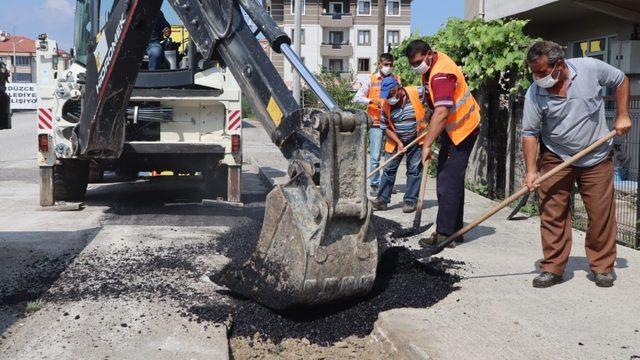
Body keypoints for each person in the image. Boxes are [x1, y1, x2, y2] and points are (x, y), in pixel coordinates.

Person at [521, 41, 631, 288]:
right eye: (533, 72)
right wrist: (531, 171)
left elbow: (621, 79)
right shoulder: (535, 93)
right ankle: (552, 267)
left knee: (600, 213)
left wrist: (623, 114)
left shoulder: (590, 68)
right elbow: (529, 133)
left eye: (541, 72)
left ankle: (602, 267)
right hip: (556, 155)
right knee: (552, 211)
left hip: (596, 156)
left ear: (559, 65)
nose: (537, 78)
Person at [404, 40, 481, 247]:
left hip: (462, 128)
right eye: (413, 64)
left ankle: (445, 234)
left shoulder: (440, 74)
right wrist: (430, 131)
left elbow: (442, 111)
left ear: (429, 54)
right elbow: (435, 107)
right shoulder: (434, 63)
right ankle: (455, 230)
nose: (416, 66)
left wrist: (427, 143)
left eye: (419, 61)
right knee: (452, 179)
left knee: (447, 179)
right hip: (453, 127)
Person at [370, 77, 426, 213]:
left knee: (414, 170)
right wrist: (399, 142)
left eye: (391, 94)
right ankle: (382, 200)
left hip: (417, 139)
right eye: (387, 95)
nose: (389, 98)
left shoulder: (416, 92)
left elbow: (431, 94)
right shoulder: (386, 104)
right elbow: (385, 127)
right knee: (388, 170)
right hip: (395, 141)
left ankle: (410, 201)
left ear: (398, 89)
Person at [353, 53, 402, 197]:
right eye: (385, 64)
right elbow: (357, 98)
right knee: (375, 156)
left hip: (391, 124)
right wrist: (373, 102)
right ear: (379, 65)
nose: (388, 67)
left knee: (390, 156)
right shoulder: (371, 79)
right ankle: (374, 184)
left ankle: (387, 183)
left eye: (390, 64)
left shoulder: (396, 79)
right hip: (375, 122)